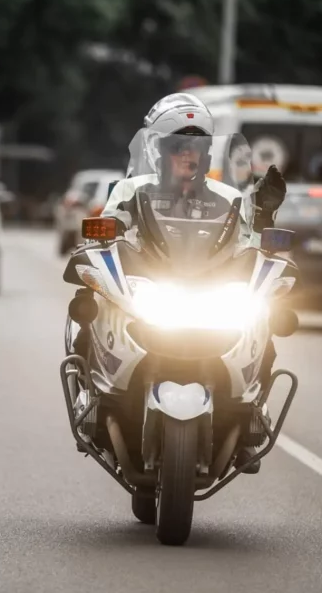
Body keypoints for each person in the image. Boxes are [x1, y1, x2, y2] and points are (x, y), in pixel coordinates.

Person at [100, 92, 286, 472]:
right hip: (149, 290)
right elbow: (102, 237)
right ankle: (95, 398)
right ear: (156, 149)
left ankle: (251, 419)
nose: (190, 155)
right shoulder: (130, 191)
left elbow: (250, 248)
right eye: (179, 146)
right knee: (92, 307)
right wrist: (105, 238)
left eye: (197, 146)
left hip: (209, 293)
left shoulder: (229, 198)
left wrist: (264, 213)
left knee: (262, 323)